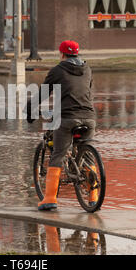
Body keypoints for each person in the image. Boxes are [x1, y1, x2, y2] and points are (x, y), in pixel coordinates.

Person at [27, 40, 97, 211]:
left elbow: (43, 94)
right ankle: (94, 197)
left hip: (67, 118)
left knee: (58, 154)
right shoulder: (87, 69)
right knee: (87, 156)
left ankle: (50, 198)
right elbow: (87, 91)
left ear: (62, 54)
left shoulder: (57, 70)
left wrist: (29, 110)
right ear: (77, 53)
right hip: (89, 117)